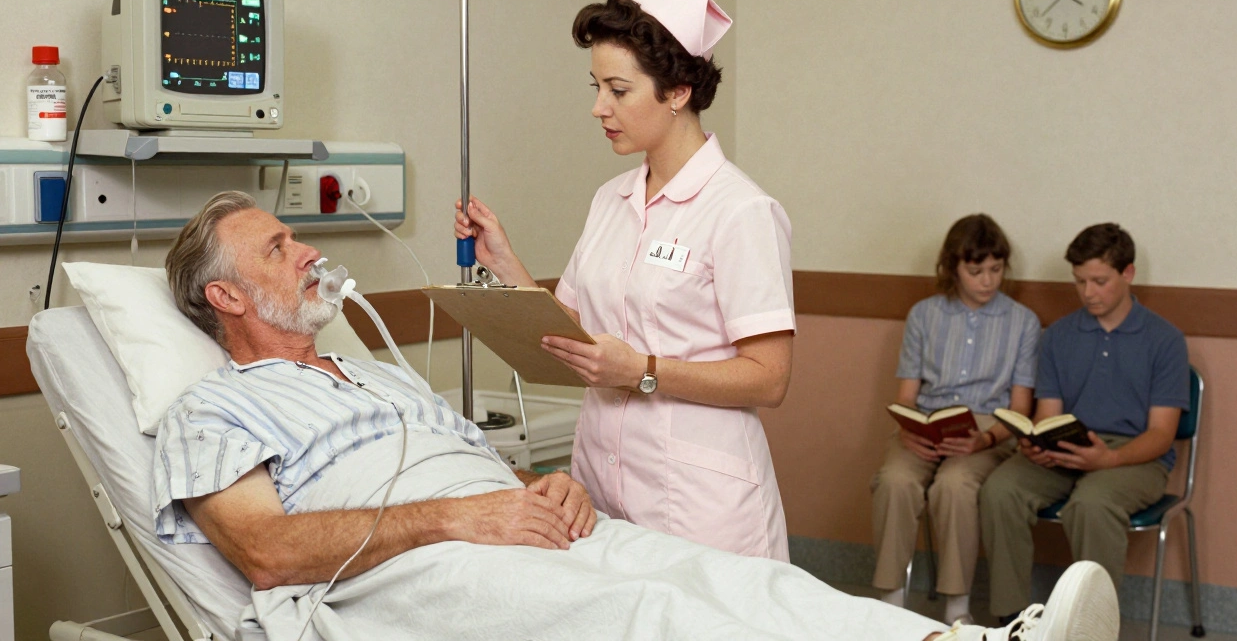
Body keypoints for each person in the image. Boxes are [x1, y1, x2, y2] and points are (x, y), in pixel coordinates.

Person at [152, 192, 1120, 641]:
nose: (307, 255)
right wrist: (460, 517)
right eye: (279, 250)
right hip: (415, 565)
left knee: (725, 581)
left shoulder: (380, 377)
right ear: (229, 300)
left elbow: (494, 450)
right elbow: (267, 554)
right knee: (652, 616)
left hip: (524, 522)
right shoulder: (216, 406)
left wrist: (538, 484)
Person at [454, 0, 794, 561]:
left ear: (678, 91)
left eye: (618, 90)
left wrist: (642, 370)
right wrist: (509, 267)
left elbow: (769, 377)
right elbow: (579, 334)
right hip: (604, 485)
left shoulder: (741, 211)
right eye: (596, 87)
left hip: (702, 503)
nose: (597, 108)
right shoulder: (610, 200)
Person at [980, 223, 1189, 622]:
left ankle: (1093, 627)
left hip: (1133, 457)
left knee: (1092, 504)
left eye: (1099, 281)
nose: (1088, 293)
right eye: (1079, 282)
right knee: (1001, 489)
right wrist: (1035, 444)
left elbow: (1162, 433)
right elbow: (1048, 414)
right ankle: (1012, 621)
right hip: (1067, 445)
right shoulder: (1059, 335)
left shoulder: (1165, 340)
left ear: (1128, 274)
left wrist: (1109, 461)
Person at [871, 215, 1041, 625]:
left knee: (955, 484)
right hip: (925, 423)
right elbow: (907, 397)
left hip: (988, 429)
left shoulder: (1023, 322)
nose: (988, 281)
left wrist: (984, 441)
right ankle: (891, 603)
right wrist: (909, 431)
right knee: (894, 480)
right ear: (952, 268)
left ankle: (956, 608)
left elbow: (1020, 408)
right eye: (975, 271)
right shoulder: (924, 316)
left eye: (996, 270)